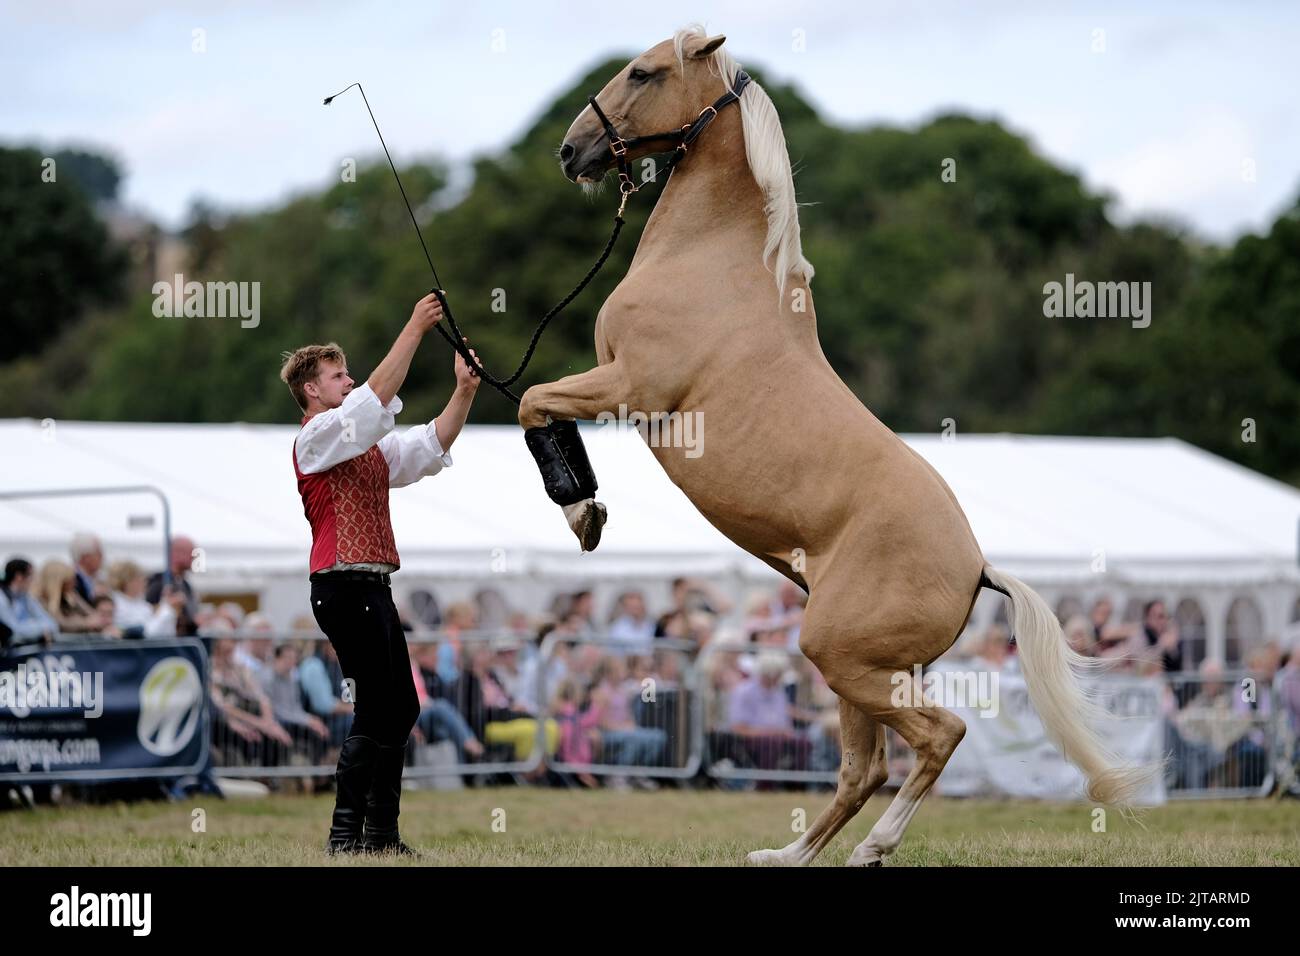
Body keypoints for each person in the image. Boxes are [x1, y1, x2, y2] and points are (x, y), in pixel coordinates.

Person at [281, 291, 479, 855]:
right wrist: (415, 327)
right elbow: (369, 406)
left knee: (403, 707)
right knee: (378, 706)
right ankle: (348, 836)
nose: (349, 380)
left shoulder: (364, 442)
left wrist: (462, 392)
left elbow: (427, 446)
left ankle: (379, 834)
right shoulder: (315, 437)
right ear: (311, 390)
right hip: (342, 585)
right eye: (337, 375)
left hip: (370, 585)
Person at [0, 558, 58, 647]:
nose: (33, 580)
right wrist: (41, 629)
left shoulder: (26, 597)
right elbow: (14, 631)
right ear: (18, 577)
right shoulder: (2, 599)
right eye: (31, 576)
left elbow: (52, 624)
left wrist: (33, 628)